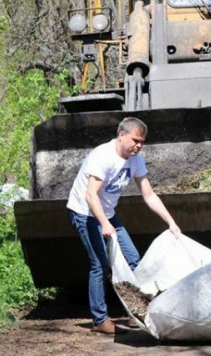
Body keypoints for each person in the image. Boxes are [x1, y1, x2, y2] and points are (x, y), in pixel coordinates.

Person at [66, 117, 181, 335]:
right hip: (84, 212)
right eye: (135, 140)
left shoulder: (135, 159)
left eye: (142, 142)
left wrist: (171, 222)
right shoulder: (103, 156)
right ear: (121, 135)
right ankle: (100, 319)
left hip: (106, 213)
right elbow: (90, 195)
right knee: (99, 265)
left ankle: (133, 312)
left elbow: (148, 194)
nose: (138, 145)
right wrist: (104, 224)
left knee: (133, 259)